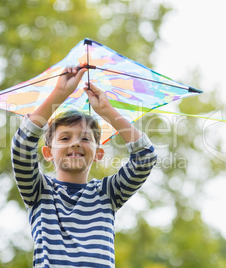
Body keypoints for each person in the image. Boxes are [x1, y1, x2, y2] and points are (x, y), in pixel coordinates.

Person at [11, 64, 157, 267]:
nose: (76, 143)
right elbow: (21, 147)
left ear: (98, 154)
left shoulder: (107, 193)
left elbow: (145, 158)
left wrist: (107, 111)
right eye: (64, 137)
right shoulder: (38, 191)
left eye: (85, 138)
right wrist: (59, 93)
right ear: (47, 153)